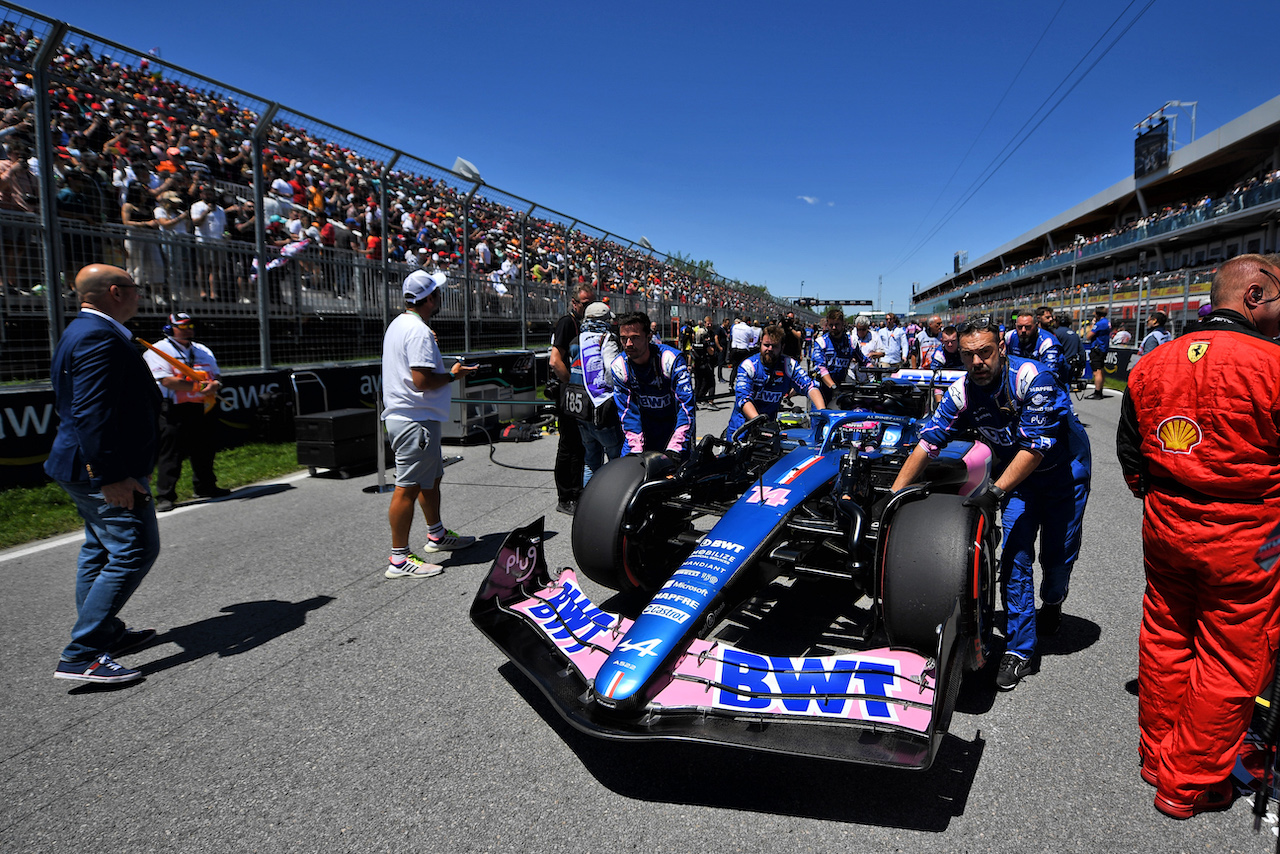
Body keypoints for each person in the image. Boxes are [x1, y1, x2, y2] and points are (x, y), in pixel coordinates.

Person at [1116, 254, 1280, 819]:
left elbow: (1131, 457)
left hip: (1166, 523)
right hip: (1248, 533)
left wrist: (1170, 500)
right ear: (1255, 295)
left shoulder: (1150, 362)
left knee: (1165, 639)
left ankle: (1155, 759)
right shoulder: (1273, 362)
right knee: (1232, 657)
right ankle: (1186, 783)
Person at [890, 315, 1091, 691]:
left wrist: (993, 492)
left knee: (1057, 560)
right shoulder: (962, 389)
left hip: (1064, 474)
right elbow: (928, 442)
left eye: (984, 352)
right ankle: (1020, 651)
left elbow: (1035, 449)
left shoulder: (1035, 378)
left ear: (1001, 348)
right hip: (1020, 484)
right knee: (1014, 557)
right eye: (968, 356)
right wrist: (895, 494)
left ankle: (1052, 601)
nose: (977, 363)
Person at [46, 264, 162, 684]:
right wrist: (110, 475)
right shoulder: (99, 336)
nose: (139, 294)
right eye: (135, 288)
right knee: (135, 549)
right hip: (102, 469)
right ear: (116, 291)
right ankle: (83, 652)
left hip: (78, 464)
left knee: (99, 548)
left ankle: (106, 632)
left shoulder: (83, 329)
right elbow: (91, 412)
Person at [381, 270, 478, 579]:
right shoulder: (418, 331)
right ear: (431, 299)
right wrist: (454, 375)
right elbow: (422, 380)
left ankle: (436, 534)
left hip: (416, 418)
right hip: (415, 420)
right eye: (437, 293)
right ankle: (399, 559)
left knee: (430, 479)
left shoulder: (400, 324)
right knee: (407, 487)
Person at [142, 312, 230, 513]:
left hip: (202, 407)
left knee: (205, 449)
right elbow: (165, 380)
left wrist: (215, 385)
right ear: (169, 328)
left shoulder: (202, 350)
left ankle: (206, 486)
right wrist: (199, 388)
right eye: (182, 327)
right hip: (174, 408)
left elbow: (216, 375)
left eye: (190, 326)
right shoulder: (158, 350)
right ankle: (165, 495)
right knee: (171, 452)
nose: (187, 330)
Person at [610, 311, 696, 458]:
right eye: (624, 339)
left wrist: (675, 447)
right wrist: (635, 451)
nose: (628, 344)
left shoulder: (670, 359)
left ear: (649, 337)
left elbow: (686, 407)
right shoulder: (619, 366)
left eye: (635, 338)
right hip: (641, 435)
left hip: (674, 433)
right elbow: (627, 413)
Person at [725, 324, 826, 438]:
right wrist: (759, 423)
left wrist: (823, 413)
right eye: (766, 345)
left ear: (782, 347)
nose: (769, 349)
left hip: (768, 429)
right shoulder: (749, 366)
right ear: (760, 344)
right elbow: (743, 400)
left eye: (774, 346)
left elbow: (810, 387)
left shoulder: (789, 365)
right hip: (742, 428)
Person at [549, 284, 594, 515]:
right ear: (574, 303)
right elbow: (555, 361)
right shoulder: (568, 322)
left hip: (579, 396)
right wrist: (572, 384)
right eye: (586, 304)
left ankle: (578, 492)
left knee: (581, 445)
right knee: (569, 446)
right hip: (570, 395)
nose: (589, 308)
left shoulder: (585, 325)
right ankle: (566, 497)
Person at [576, 301, 624, 484]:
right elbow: (612, 371)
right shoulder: (606, 338)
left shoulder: (577, 339)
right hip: (601, 408)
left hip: (580, 409)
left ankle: (587, 503)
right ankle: (613, 501)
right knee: (616, 459)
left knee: (591, 460)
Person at [810, 308, 869, 404]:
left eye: (836, 324)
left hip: (841, 387)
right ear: (827, 325)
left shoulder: (851, 342)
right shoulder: (821, 342)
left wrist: (876, 376)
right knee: (820, 415)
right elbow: (821, 368)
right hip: (821, 388)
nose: (833, 328)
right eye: (831, 325)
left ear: (843, 324)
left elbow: (864, 361)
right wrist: (833, 386)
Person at [1004, 308, 1062, 380]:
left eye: (1027, 327)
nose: (1023, 330)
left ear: (1036, 326)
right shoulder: (1010, 337)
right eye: (1020, 327)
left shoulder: (1047, 342)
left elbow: (1050, 375)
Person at [1084, 306, 1111, 399]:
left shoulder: (1099, 324)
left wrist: (1093, 324)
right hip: (1103, 348)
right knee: (1101, 369)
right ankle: (1100, 390)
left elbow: (1089, 336)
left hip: (1097, 349)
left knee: (1097, 371)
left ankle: (1097, 392)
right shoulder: (1107, 322)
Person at [1054, 313, 1086, 390]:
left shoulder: (1056, 333)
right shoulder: (1074, 334)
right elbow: (1082, 352)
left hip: (1059, 364)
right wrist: (1082, 365)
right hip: (1072, 364)